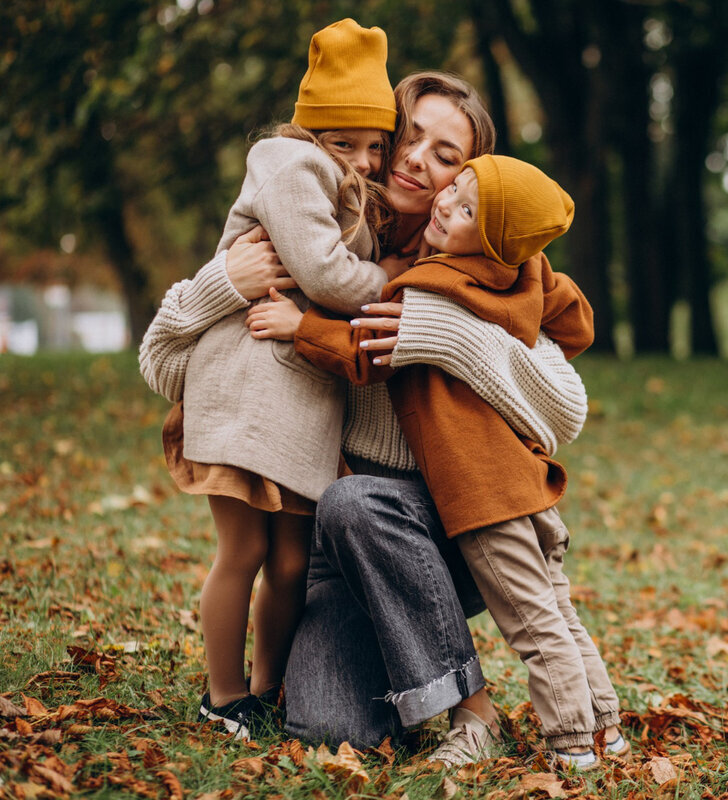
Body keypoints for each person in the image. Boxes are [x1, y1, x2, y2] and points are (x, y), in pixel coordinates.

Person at [139, 70, 589, 767]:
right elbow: (166, 366)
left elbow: (568, 407)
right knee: (327, 728)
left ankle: (473, 708)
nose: (416, 160)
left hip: (447, 528)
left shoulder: (484, 262)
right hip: (341, 544)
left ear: (470, 182)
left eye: (446, 156)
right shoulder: (304, 238)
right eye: (410, 137)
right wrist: (223, 285)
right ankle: (393, 664)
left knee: (357, 502)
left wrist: (445, 333)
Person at [258, 155, 625, 770]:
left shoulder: (430, 283)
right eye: (451, 191)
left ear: (489, 235)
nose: (443, 202)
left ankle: (570, 743)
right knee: (554, 613)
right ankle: (604, 727)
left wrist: (303, 326)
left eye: (461, 193)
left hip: (476, 497)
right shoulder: (519, 273)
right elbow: (576, 317)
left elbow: (367, 354)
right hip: (517, 489)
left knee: (536, 627)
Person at [139, 18, 400, 739]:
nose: (366, 159)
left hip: (303, 405)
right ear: (312, 130)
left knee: (291, 562)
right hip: (248, 392)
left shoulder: (345, 183)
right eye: (346, 142)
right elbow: (324, 273)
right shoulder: (288, 166)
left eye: (376, 145)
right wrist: (389, 280)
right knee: (245, 550)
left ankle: (267, 685)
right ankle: (222, 695)